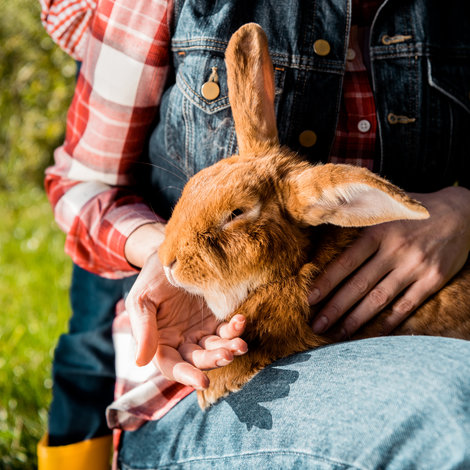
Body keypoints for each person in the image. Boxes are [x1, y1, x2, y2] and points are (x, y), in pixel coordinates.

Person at [38, 0, 470, 469]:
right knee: (453, 415)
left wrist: (465, 206)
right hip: (205, 379)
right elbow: (83, 183)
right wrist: (158, 253)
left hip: (419, 343)